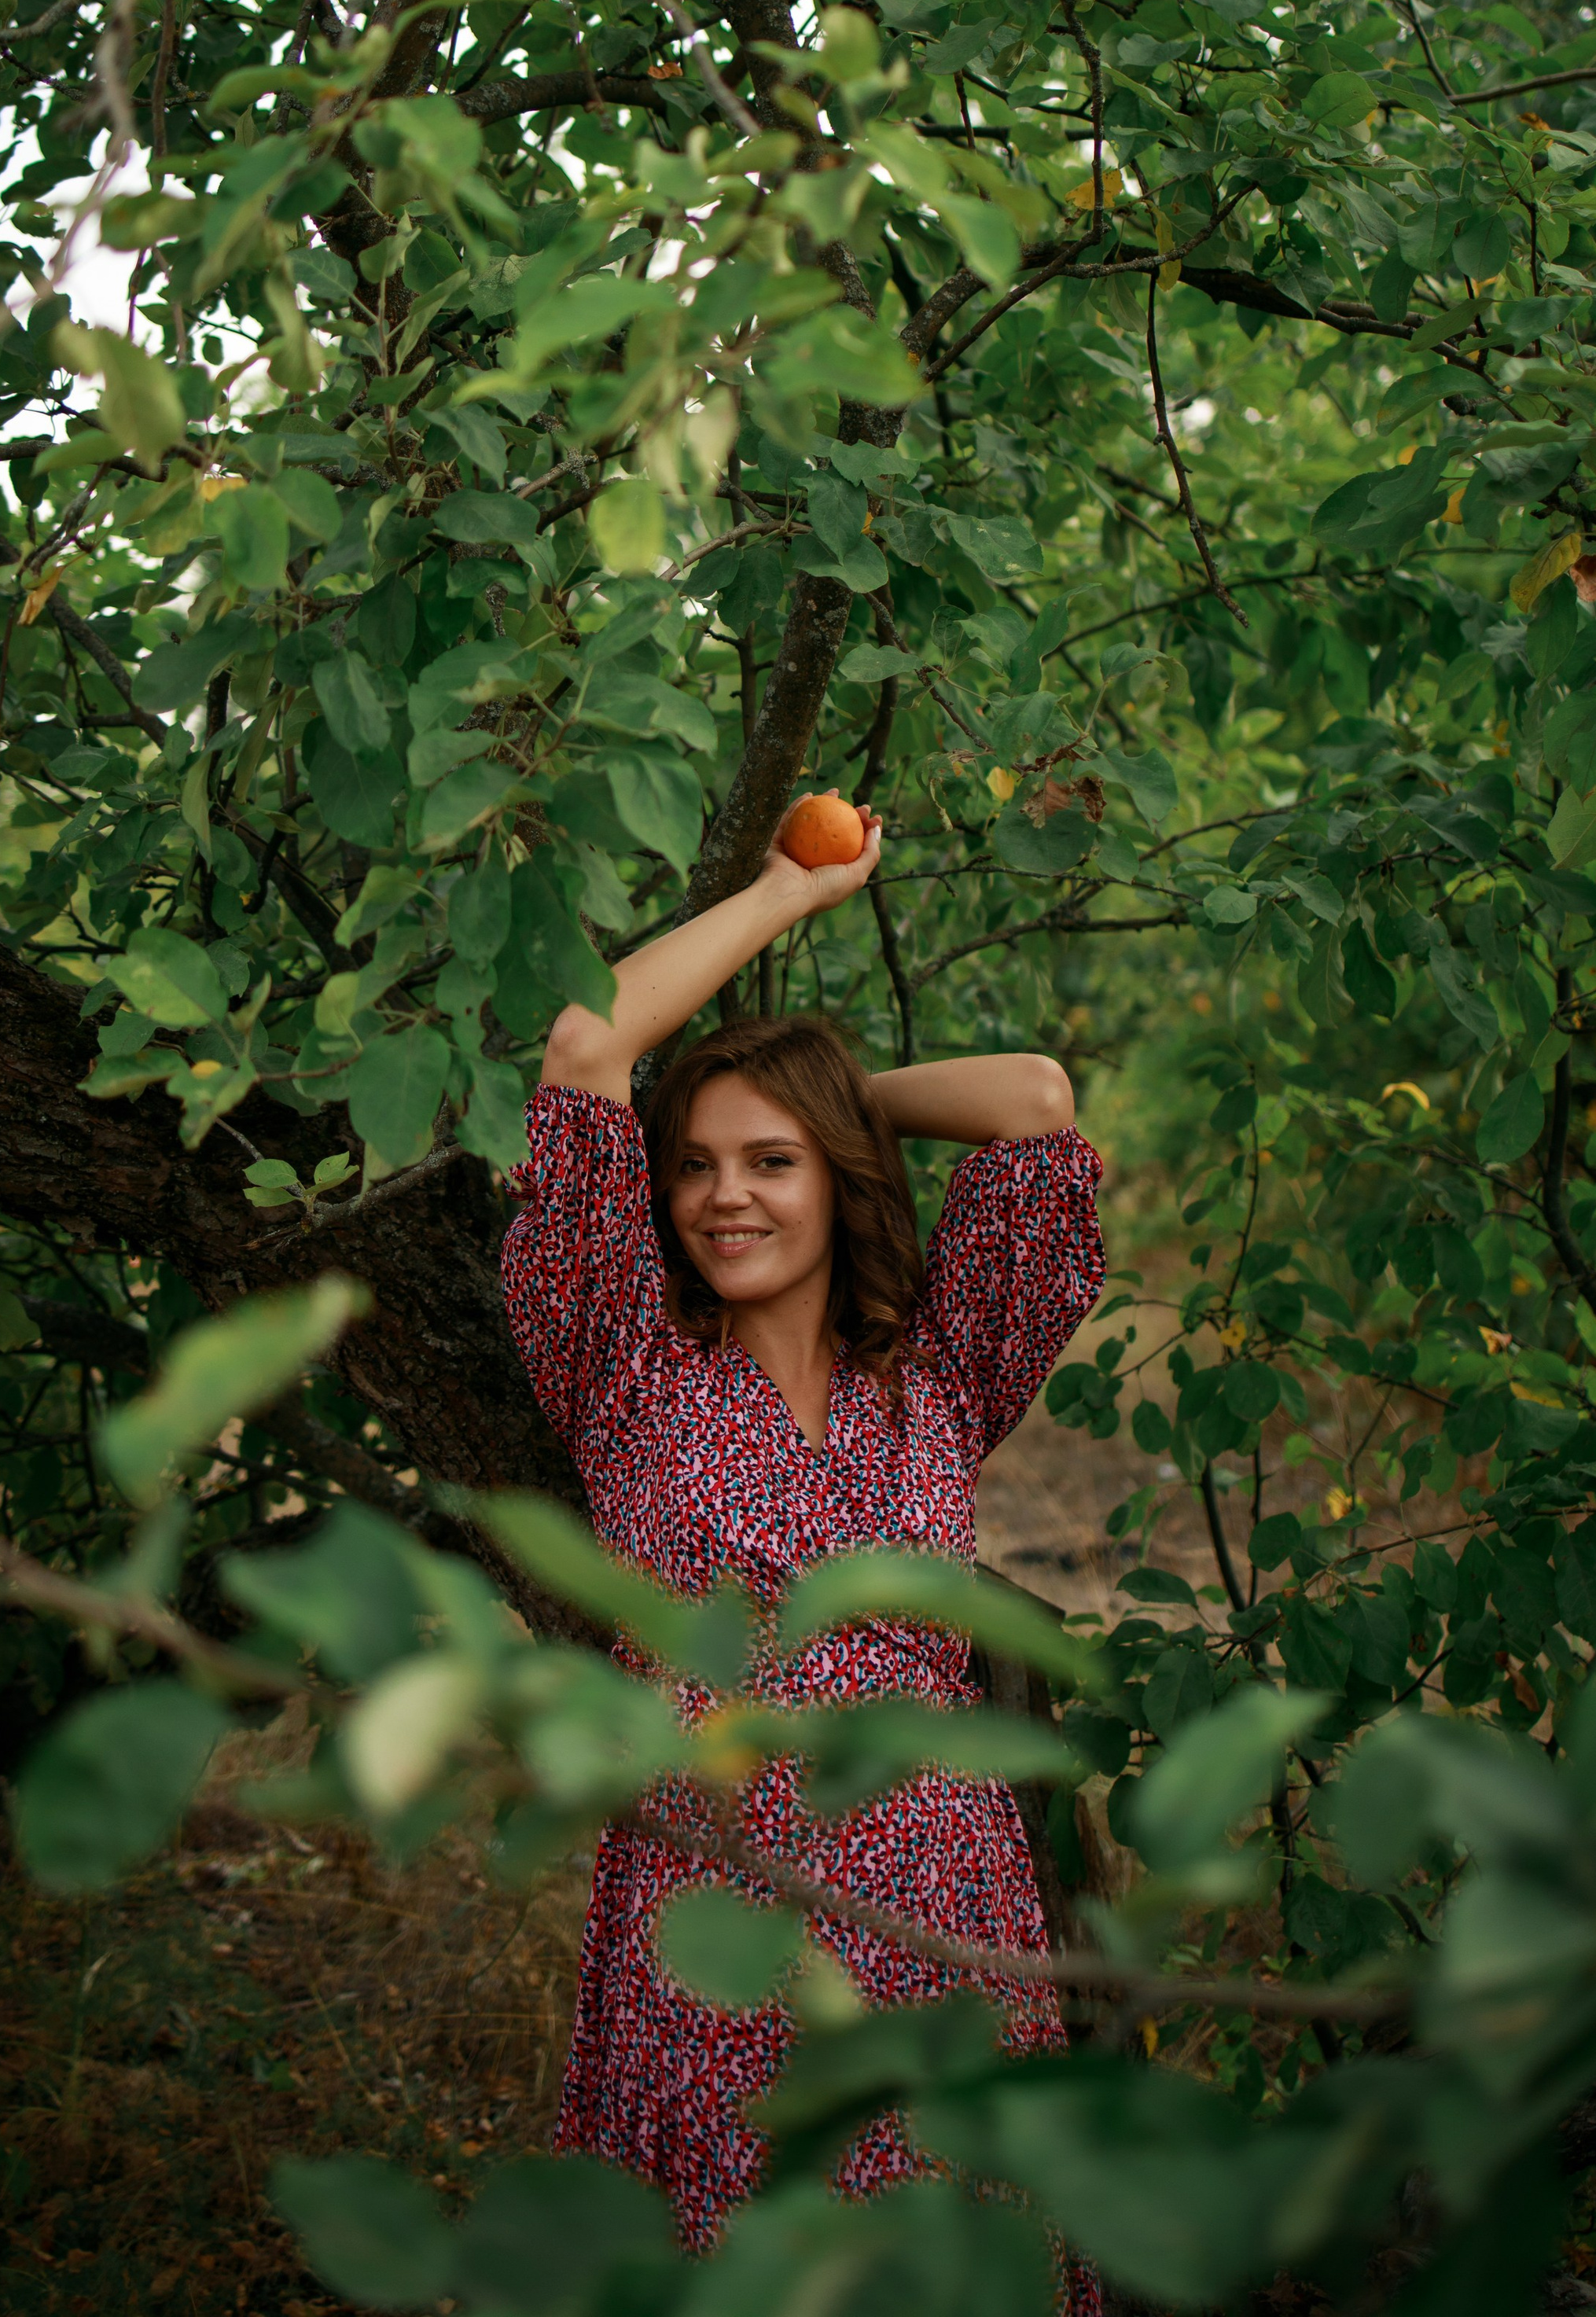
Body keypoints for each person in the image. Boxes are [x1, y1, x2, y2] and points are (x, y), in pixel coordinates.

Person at [499, 792, 1106, 2256]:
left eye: (772, 1164)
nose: (725, 1197)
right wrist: (784, 893)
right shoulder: (629, 1369)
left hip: (942, 1911)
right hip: (724, 1915)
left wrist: (823, 1094)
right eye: (698, 1164)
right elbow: (587, 1051)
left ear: (838, 1178)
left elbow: (1033, 1098)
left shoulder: (938, 1375)